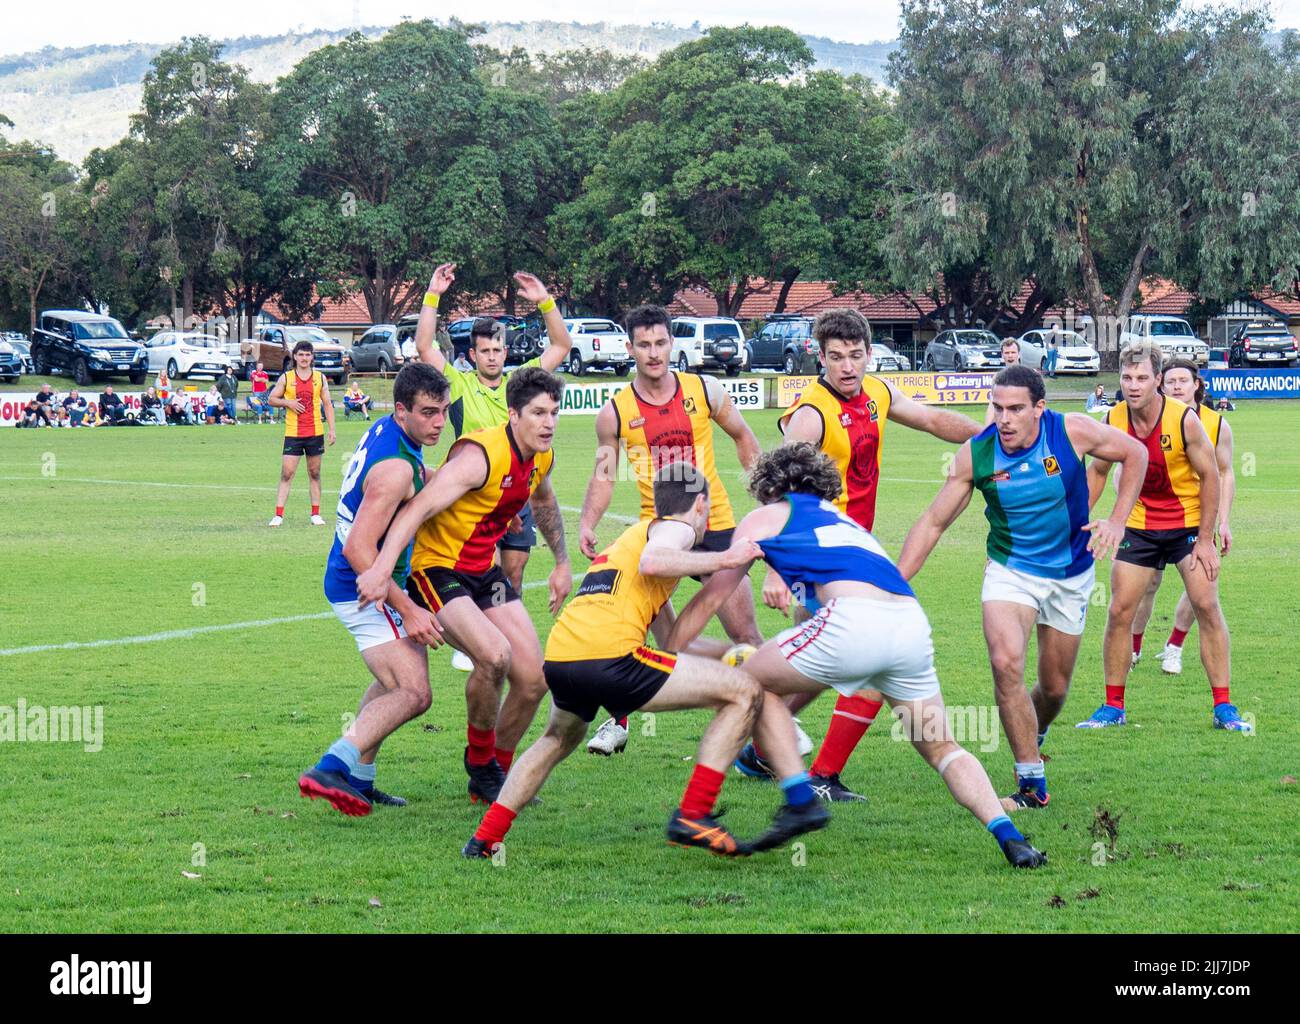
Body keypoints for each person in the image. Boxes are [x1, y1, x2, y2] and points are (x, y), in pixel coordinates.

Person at [670, 444, 1048, 868]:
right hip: (908, 626)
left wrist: (670, 646)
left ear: (769, 485)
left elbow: (716, 595)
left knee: (749, 686)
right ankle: (1012, 838)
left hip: (853, 623)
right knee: (943, 748)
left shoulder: (763, 517)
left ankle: (781, 800)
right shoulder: (845, 522)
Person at [462, 462, 829, 860]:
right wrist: (726, 560)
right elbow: (655, 561)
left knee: (556, 740)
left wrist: (729, 653)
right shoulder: (677, 528)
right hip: (611, 658)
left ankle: (484, 839)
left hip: (565, 659)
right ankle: (693, 813)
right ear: (701, 505)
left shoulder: (629, 544)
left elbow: (671, 644)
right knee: (747, 693)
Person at [739, 307, 983, 801]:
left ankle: (763, 744)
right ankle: (814, 771)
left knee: (838, 662)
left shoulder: (879, 392)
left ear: (870, 354)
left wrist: (990, 438)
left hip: (853, 551)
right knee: (864, 660)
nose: (847, 367)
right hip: (818, 555)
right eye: (835, 357)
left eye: (855, 356)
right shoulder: (809, 414)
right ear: (819, 358)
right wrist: (776, 570)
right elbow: (777, 489)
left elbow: (934, 420)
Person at [897, 365, 1147, 810]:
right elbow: (934, 522)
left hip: (1071, 574)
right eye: (997, 407)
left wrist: (1117, 519)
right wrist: (895, 583)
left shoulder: (1071, 431)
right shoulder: (977, 455)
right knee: (1005, 662)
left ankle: (1035, 727)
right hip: (1010, 570)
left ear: (1039, 408)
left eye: (1015, 409)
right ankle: (1031, 783)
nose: (1004, 419)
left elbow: (1136, 454)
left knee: (1053, 690)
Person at [356, 367, 573, 805]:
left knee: (534, 680)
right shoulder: (480, 456)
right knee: (494, 657)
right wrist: (381, 568)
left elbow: (544, 501)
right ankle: (479, 762)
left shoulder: (541, 455)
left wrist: (562, 562)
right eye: (537, 413)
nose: (548, 422)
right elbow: (416, 509)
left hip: (483, 573)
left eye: (554, 412)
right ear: (513, 414)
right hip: (436, 569)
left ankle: (496, 778)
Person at [579, 303, 763, 756]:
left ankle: (770, 726)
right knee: (637, 636)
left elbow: (742, 435)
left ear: (672, 343)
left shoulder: (706, 390)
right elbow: (605, 473)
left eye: (661, 342)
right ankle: (617, 723)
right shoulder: (615, 412)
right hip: (659, 531)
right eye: (644, 344)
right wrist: (587, 522)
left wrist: (764, 493)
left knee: (747, 634)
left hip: (716, 524)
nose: (654, 352)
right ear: (630, 348)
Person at [299, 363, 454, 816]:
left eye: (443, 411)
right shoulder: (393, 474)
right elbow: (360, 549)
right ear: (402, 409)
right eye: (428, 413)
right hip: (362, 586)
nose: (438, 423)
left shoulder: (390, 431)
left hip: (363, 581)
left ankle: (361, 780)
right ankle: (330, 766)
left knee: (392, 682)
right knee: (415, 693)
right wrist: (407, 609)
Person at [1077, 343, 1249, 732]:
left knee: (1206, 604)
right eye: (1127, 378)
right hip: (1137, 522)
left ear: (1158, 380)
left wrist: (1206, 538)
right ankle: (1113, 706)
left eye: (1142, 378)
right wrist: (1078, 521)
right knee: (1120, 611)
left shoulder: (1184, 420)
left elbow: (1212, 477)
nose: (1134, 386)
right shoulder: (1113, 418)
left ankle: (1224, 708)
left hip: (1188, 523)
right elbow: (1098, 472)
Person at [413, 263, 575, 605]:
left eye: (497, 350)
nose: (491, 356)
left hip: (517, 489)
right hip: (473, 493)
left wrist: (544, 300)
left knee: (513, 573)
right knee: (487, 568)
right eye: (484, 351)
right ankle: (476, 634)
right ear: (472, 354)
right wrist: (433, 295)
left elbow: (561, 345)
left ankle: (500, 630)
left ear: (506, 351)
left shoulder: (522, 384)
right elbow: (425, 346)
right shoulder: (458, 384)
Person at [1128, 359, 1235, 677]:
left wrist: (1223, 522)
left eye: (1183, 380)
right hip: (1150, 518)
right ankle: (1134, 647)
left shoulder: (1216, 425)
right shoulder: (1142, 419)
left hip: (1198, 516)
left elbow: (1225, 473)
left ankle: (1174, 647)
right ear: (1161, 384)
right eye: (1171, 380)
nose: (1176, 386)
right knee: (1148, 585)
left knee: (1200, 586)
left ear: (1196, 385)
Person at [267, 341, 336, 526]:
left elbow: (328, 404)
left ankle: (315, 514)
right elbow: (272, 399)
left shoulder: (320, 378)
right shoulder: (287, 378)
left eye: (308, 355)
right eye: (301, 354)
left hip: (315, 432)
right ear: (295, 357)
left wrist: (332, 429)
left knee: (314, 473)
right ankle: (278, 515)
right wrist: (288, 403)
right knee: (287, 473)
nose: (304, 358)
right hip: (293, 433)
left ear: (312, 357)